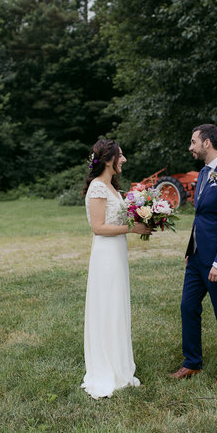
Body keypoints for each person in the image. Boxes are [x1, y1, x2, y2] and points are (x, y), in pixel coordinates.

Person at [170, 124, 217, 382]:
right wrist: (191, 249)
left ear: (207, 143)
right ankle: (192, 362)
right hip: (196, 257)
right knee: (187, 307)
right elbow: (201, 216)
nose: (190, 147)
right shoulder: (203, 174)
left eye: (193, 142)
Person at [82, 139, 152, 399]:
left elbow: (120, 218)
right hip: (105, 256)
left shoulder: (112, 188)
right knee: (108, 305)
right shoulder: (98, 188)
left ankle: (120, 363)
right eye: (120, 156)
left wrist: (147, 216)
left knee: (117, 304)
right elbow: (98, 227)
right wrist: (132, 228)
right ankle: (105, 367)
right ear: (109, 159)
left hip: (117, 253)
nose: (123, 160)